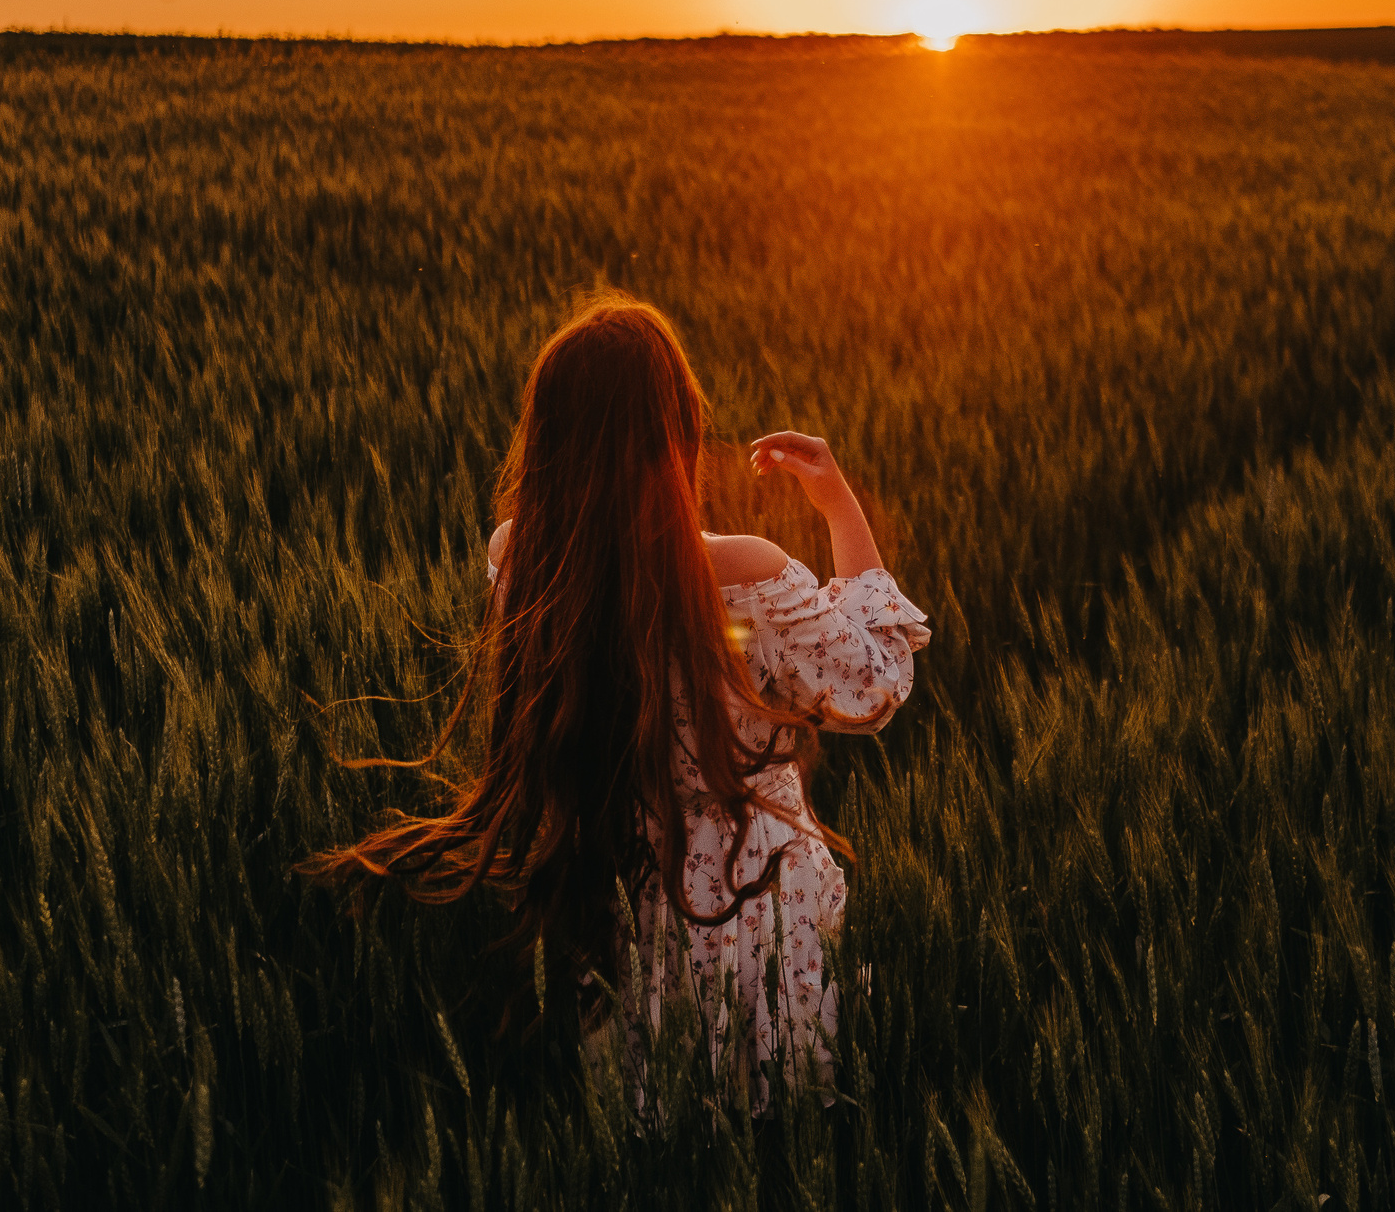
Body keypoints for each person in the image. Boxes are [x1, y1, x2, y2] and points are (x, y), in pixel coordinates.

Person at [302, 292, 929, 1107]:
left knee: (654, 1137)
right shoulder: (747, 571)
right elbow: (874, 687)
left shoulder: (519, 557)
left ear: (552, 436)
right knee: (785, 1133)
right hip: (763, 909)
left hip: (622, 903)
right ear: (677, 427)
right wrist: (840, 501)